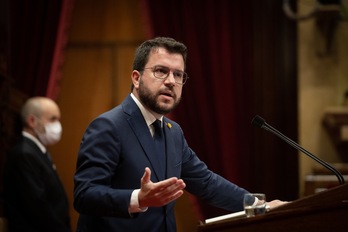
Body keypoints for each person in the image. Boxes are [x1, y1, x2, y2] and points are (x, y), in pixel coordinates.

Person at [74, 37, 286, 232]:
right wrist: (139, 198)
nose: (171, 81)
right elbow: (85, 195)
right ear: (136, 78)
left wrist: (259, 205)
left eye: (178, 74)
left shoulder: (173, 132)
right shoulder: (108, 126)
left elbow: (207, 183)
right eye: (160, 71)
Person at [3, 97, 71, 232]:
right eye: (52, 119)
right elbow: (37, 207)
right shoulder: (25, 153)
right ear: (32, 121)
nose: (57, 126)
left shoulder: (37, 151)